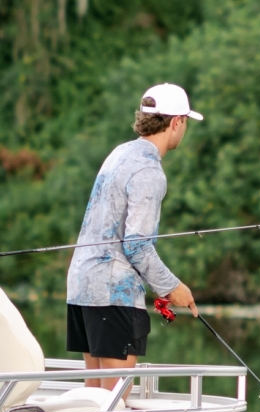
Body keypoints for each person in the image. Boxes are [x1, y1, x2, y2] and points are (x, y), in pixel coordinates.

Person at [66, 83, 201, 391]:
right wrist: (172, 287)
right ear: (177, 122)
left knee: (96, 396)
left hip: (82, 285)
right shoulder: (149, 171)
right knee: (113, 401)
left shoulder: (120, 153)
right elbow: (137, 245)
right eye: (186, 122)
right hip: (114, 293)